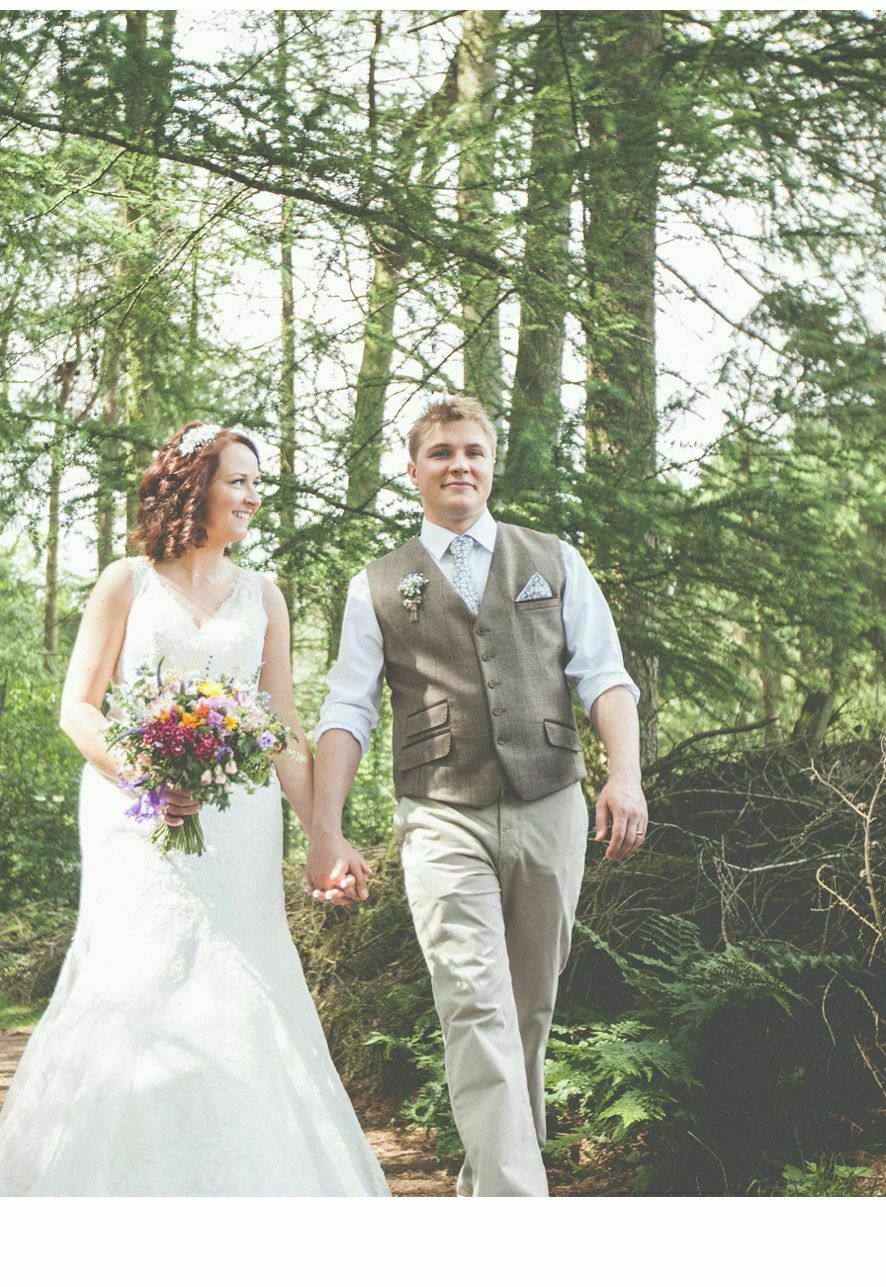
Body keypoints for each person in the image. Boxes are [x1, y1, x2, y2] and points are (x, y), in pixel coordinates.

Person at [0, 422, 389, 1196]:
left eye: (259, 483)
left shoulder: (265, 596)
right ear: (195, 485)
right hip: (136, 818)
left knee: (243, 981)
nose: (255, 496)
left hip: (241, 822)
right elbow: (78, 708)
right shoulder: (127, 581)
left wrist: (325, 834)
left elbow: (282, 730)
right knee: (135, 978)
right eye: (239, 480)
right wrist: (146, 777)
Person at [309, 395, 648, 1197]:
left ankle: (483, 1188)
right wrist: (326, 827)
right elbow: (347, 709)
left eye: (473, 451)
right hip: (439, 814)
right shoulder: (377, 585)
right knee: (474, 1006)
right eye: (441, 453)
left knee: (526, 1014)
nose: (459, 464)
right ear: (414, 469)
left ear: (492, 464)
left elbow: (603, 674)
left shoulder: (555, 559)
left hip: (550, 802)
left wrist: (623, 773)